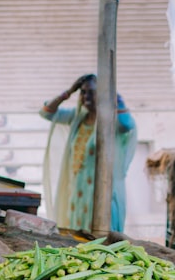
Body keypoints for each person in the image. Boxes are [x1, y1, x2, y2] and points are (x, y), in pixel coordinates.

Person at [40, 73, 137, 235]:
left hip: (101, 194)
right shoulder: (77, 117)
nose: (86, 96)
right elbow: (46, 112)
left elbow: (127, 125)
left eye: (91, 92)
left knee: (100, 240)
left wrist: (114, 96)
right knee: (77, 239)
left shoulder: (110, 121)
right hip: (77, 194)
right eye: (83, 92)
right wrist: (69, 91)